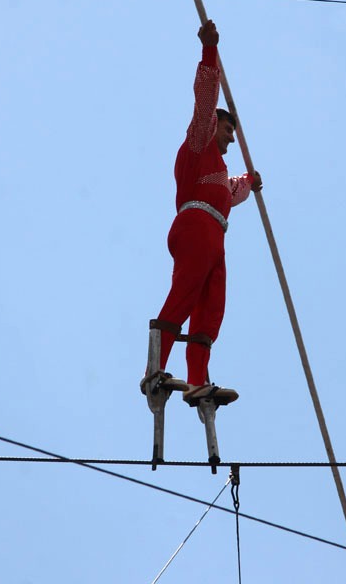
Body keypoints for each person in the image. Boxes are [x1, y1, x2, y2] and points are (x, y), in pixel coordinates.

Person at [141, 20, 262, 405]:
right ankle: (154, 371)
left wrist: (252, 180)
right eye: (227, 129)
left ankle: (197, 383)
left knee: (211, 311)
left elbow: (235, 191)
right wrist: (209, 51)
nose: (230, 136)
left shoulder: (222, 178)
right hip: (195, 225)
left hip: (215, 234)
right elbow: (206, 100)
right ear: (215, 127)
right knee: (185, 295)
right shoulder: (198, 145)